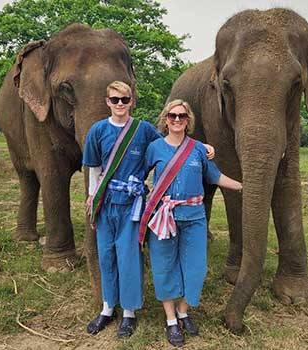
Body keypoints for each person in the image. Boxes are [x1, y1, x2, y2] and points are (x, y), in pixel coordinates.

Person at [82, 82, 214, 338]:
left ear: (132, 101)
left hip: (132, 205)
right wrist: (91, 195)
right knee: (106, 254)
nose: (120, 104)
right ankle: (108, 307)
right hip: (105, 202)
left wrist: (205, 148)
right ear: (107, 101)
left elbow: (173, 145)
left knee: (129, 257)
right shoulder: (97, 130)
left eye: (125, 99)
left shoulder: (142, 130)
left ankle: (129, 313)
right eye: (115, 99)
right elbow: (95, 168)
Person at [139, 99, 242, 347]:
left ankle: (184, 311)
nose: (177, 120)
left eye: (182, 116)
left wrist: (241, 186)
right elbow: (139, 175)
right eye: (172, 116)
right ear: (165, 119)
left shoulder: (197, 149)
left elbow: (214, 175)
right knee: (164, 266)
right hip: (164, 217)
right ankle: (171, 319)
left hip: (195, 218)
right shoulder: (154, 148)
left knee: (196, 268)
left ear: (188, 121)